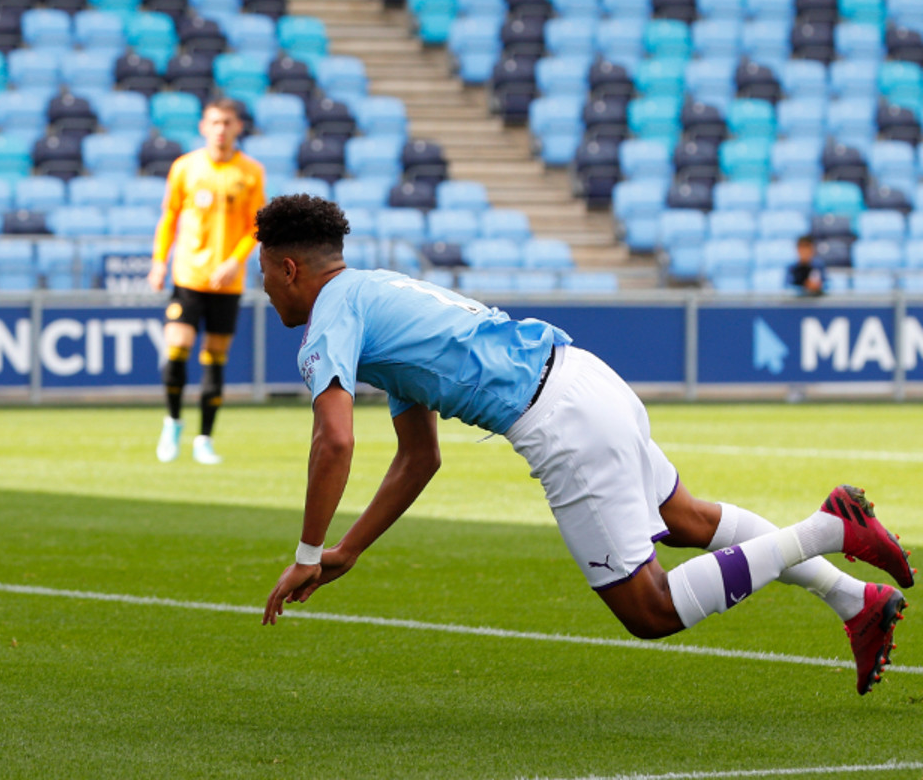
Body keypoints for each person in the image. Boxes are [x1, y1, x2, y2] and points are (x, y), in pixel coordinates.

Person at [255, 194, 913, 695]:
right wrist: (351, 550)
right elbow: (418, 457)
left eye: (265, 273)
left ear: (290, 268)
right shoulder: (378, 294)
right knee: (687, 521)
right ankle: (855, 603)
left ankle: (829, 527)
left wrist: (308, 553)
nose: (262, 287)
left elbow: (333, 440)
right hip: (585, 378)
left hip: (560, 422)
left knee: (650, 611)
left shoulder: (331, 316)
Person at [145, 97, 264, 465]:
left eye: (228, 122)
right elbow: (169, 217)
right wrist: (158, 262)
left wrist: (234, 261)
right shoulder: (185, 167)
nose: (221, 129)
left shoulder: (251, 173)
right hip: (189, 275)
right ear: (203, 126)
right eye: (214, 122)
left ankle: (204, 439)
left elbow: (255, 226)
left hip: (226, 283)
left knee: (215, 360)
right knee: (176, 351)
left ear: (238, 127)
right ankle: (172, 422)